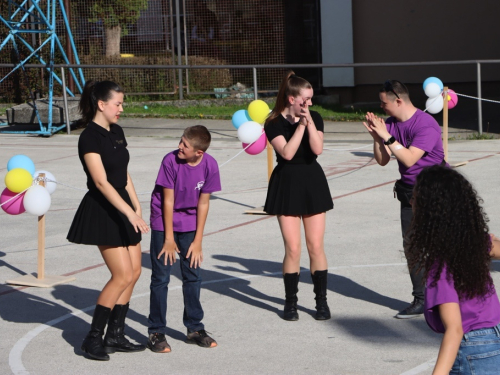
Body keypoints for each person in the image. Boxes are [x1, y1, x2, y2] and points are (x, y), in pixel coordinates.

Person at [67, 80, 149, 361]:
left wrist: (136, 204)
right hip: (103, 210)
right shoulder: (88, 137)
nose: (121, 109)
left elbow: (122, 173)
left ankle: (115, 335)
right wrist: (128, 213)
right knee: (122, 275)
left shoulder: (116, 131)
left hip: (124, 207)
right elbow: (101, 182)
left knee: (135, 271)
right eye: (118, 103)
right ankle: (92, 339)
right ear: (101, 105)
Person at [362, 79, 446, 319]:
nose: (381, 108)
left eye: (383, 103)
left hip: (437, 191)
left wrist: (386, 136)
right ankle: (420, 299)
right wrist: (377, 137)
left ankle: (450, 298)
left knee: (440, 246)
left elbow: (410, 159)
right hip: (409, 193)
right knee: (412, 247)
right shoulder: (390, 125)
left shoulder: (426, 124)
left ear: (398, 100)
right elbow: (382, 160)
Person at [406, 165, 500, 375]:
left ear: (430, 211)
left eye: (414, 198)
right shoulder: (475, 244)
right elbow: (494, 247)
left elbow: (455, 330)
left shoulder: (440, 266)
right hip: (495, 339)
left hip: (473, 349)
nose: (410, 202)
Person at [264, 71, 334, 321]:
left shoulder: (315, 117)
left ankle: (321, 303)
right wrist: (300, 126)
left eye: (311, 99)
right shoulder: (273, 122)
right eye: (306, 99)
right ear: (292, 98)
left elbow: (317, 149)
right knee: (292, 248)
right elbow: (287, 153)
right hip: (287, 184)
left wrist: (309, 123)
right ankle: (290, 303)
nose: (310, 104)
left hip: (312, 182)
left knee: (315, 245)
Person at [147, 125, 221, 352]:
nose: (179, 146)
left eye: (185, 145)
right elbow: (167, 201)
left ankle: (194, 328)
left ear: (199, 152)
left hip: (190, 224)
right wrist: (168, 238)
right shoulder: (170, 161)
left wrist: (198, 241)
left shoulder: (210, 165)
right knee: (161, 278)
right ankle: (156, 331)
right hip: (164, 221)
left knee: (193, 275)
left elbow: (203, 203)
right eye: (181, 141)